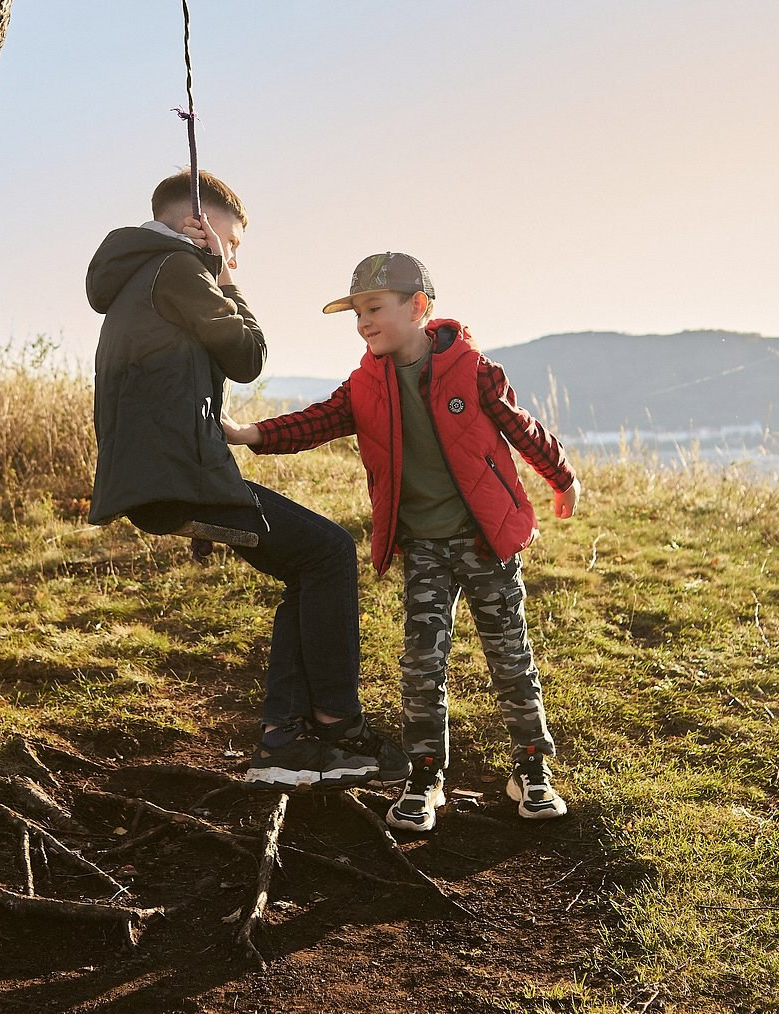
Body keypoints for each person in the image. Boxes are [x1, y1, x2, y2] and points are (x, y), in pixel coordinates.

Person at [223, 252, 580, 831]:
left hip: (486, 540)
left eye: (374, 308)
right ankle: (425, 774)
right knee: (422, 662)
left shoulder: (474, 370)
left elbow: (521, 427)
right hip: (424, 547)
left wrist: (562, 478)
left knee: (509, 656)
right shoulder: (366, 385)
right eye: (356, 313)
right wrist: (249, 434)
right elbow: (315, 422)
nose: (363, 322)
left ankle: (531, 768)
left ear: (419, 307)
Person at [86, 171, 407, 792]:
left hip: (163, 474)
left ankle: (289, 737)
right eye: (229, 241)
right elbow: (249, 354)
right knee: (328, 553)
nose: (231, 256)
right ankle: (332, 728)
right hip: (178, 475)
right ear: (193, 227)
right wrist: (229, 280)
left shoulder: (136, 275)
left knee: (310, 561)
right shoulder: (180, 270)